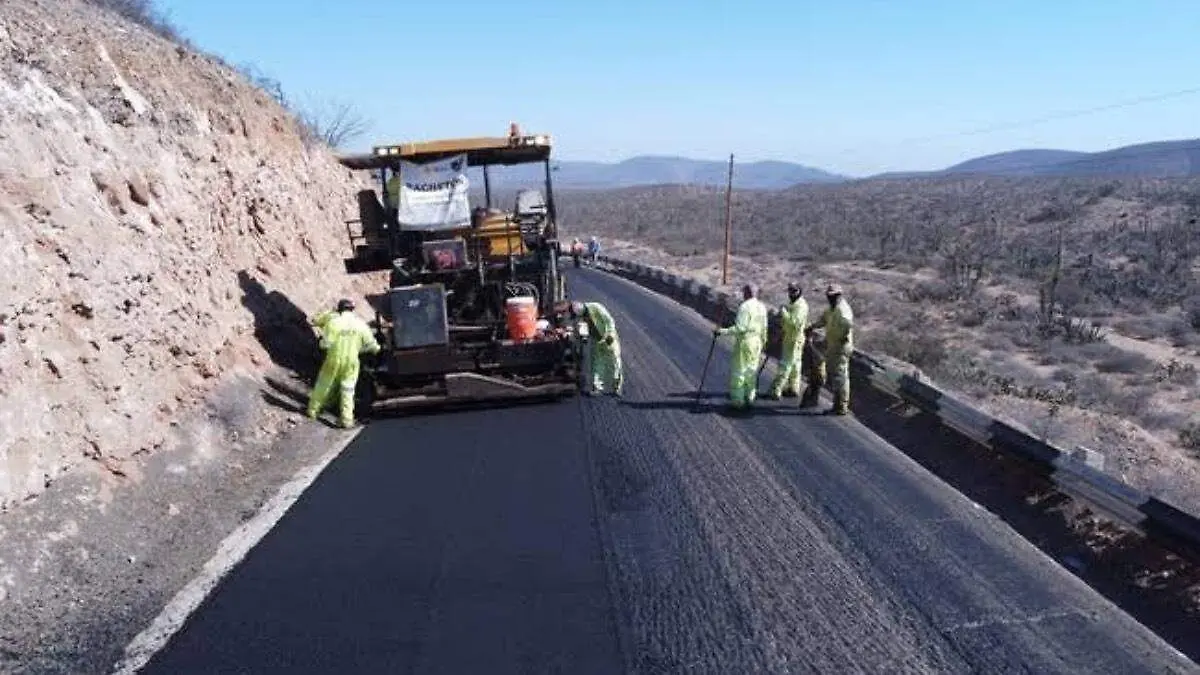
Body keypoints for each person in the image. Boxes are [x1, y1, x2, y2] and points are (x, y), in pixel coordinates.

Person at [306, 299, 381, 428]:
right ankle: (347, 420)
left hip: (333, 359)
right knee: (348, 389)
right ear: (352, 309)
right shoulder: (360, 324)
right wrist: (364, 349)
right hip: (352, 362)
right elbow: (372, 346)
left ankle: (313, 411)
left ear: (339, 309)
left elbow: (324, 344)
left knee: (323, 385)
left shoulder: (333, 323)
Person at [714, 283, 768, 409]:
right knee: (752, 370)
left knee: (739, 371)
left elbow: (740, 328)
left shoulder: (745, 307)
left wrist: (722, 331)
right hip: (757, 342)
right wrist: (764, 342)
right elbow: (764, 327)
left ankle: (738, 400)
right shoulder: (762, 307)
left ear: (747, 292)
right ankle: (750, 397)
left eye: (744, 292)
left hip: (745, 341)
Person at [808, 284, 854, 415]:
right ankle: (837, 403)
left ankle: (841, 406)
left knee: (840, 376)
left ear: (839, 295)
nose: (830, 298)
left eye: (833, 296)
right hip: (833, 345)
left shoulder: (843, 310)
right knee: (835, 374)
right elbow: (823, 320)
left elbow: (847, 325)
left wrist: (842, 337)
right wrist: (812, 326)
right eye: (829, 296)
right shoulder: (831, 309)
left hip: (841, 347)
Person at [767, 282, 809, 400]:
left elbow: (794, 323)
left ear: (799, 291)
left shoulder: (801, 306)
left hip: (793, 339)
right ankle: (793, 388)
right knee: (795, 365)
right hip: (791, 337)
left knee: (785, 364)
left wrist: (784, 313)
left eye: (794, 291)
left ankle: (776, 390)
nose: (791, 293)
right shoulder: (793, 304)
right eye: (790, 291)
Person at [571, 301, 623, 397]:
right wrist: (584, 337)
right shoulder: (581, 317)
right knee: (596, 363)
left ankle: (617, 387)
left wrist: (610, 334)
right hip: (596, 340)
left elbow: (609, 320)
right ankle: (597, 387)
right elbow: (583, 329)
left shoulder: (596, 307)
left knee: (615, 361)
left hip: (609, 338)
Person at [799, 326, 826, 409]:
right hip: (816, 367)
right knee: (815, 384)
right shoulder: (810, 346)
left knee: (815, 384)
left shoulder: (810, 346)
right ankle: (811, 401)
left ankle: (811, 401)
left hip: (816, 367)